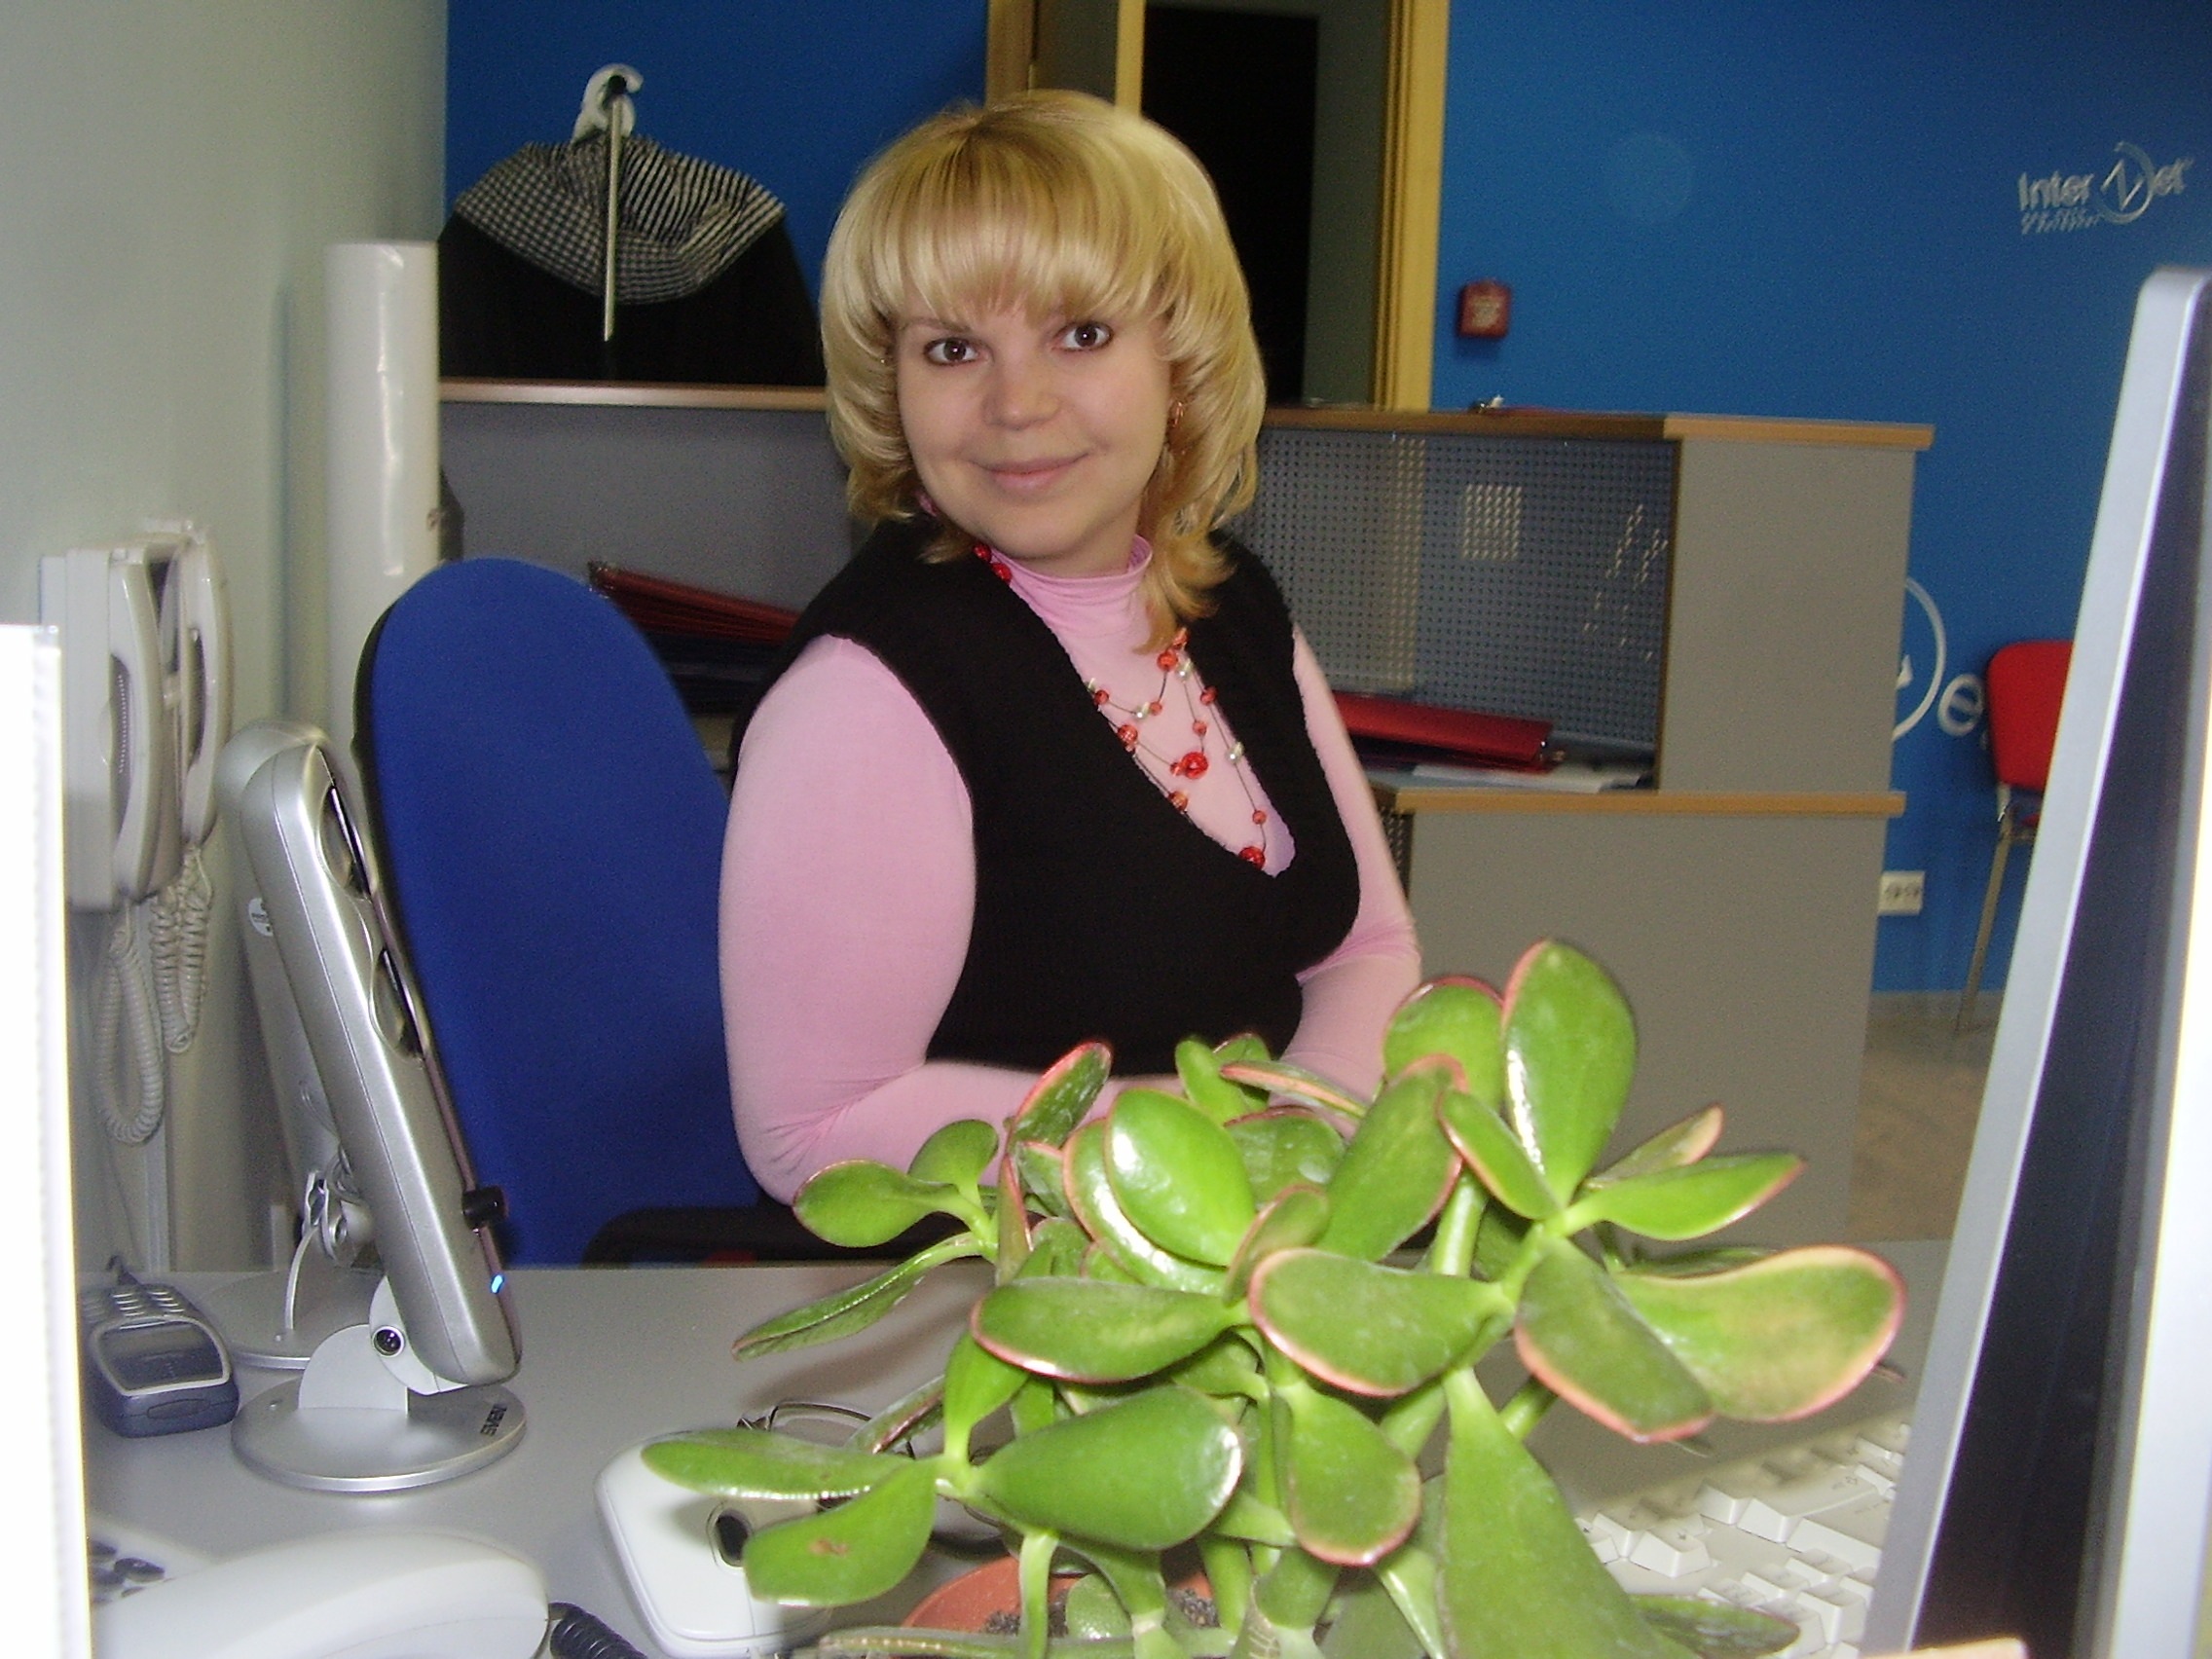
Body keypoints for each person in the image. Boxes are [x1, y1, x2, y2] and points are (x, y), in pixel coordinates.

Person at [720, 91, 1419, 1203]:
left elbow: (1363, 949)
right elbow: (813, 1132)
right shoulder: (866, 696)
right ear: (892, 387)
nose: (1016, 402)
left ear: (1181, 360)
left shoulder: (1232, 608)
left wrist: (1307, 1149)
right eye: (953, 348)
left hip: (1252, 1243)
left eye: (1080, 334)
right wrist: (1223, 1157)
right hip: (1003, 1283)